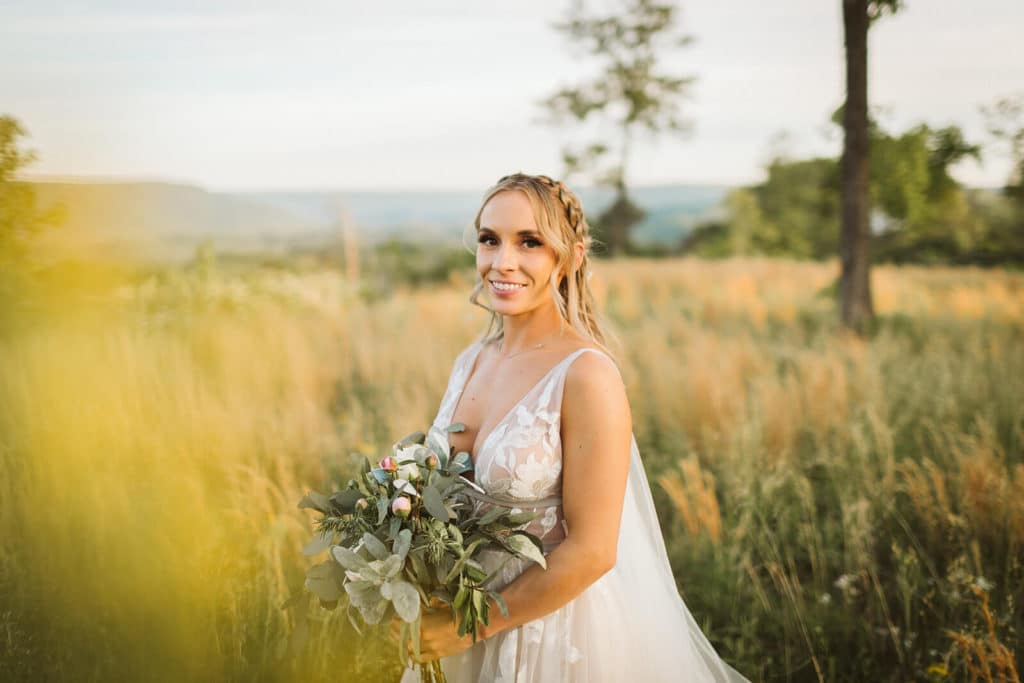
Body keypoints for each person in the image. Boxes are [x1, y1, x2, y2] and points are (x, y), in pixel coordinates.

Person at [395, 173, 748, 682]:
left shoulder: (586, 374)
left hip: (550, 636)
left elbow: (593, 551)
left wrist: (470, 627)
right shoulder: (470, 360)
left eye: (530, 243)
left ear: (572, 258)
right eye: (489, 239)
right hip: (454, 622)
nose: (502, 262)